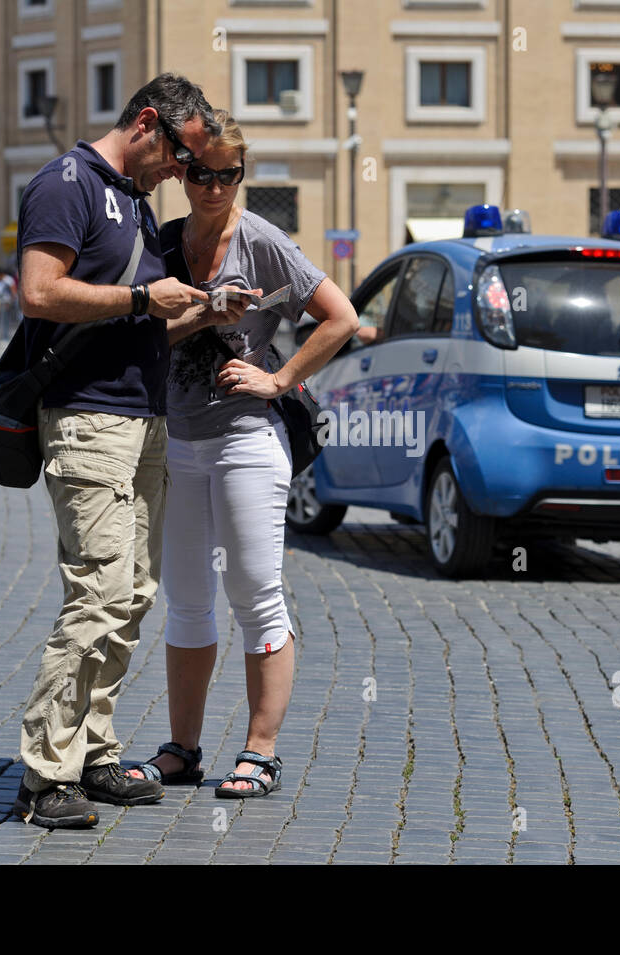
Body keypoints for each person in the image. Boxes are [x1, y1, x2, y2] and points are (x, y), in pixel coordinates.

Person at [11, 73, 253, 830]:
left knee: (134, 593)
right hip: (88, 422)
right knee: (100, 592)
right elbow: (39, 292)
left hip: (142, 422)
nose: (182, 175)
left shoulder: (137, 205)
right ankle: (45, 771)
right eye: (180, 157)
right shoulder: (69, 184)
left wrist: (203, 309)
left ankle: (93, 750)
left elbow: (137, 324)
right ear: (148, 123)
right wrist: (146, 298)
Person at [131, 110, 358, 798]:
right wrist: (202, 312)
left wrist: (280, 379)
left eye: (226, 173)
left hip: (246, 440)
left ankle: (260, 751)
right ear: (182, 173)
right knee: (188, 600)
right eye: (199, 172)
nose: (212, 186)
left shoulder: (260, 244)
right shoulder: (164, 243)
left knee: (256, 594)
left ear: (240, 173)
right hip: (179, 439)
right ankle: (183, 748)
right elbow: (143, 340)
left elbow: (341, 316)